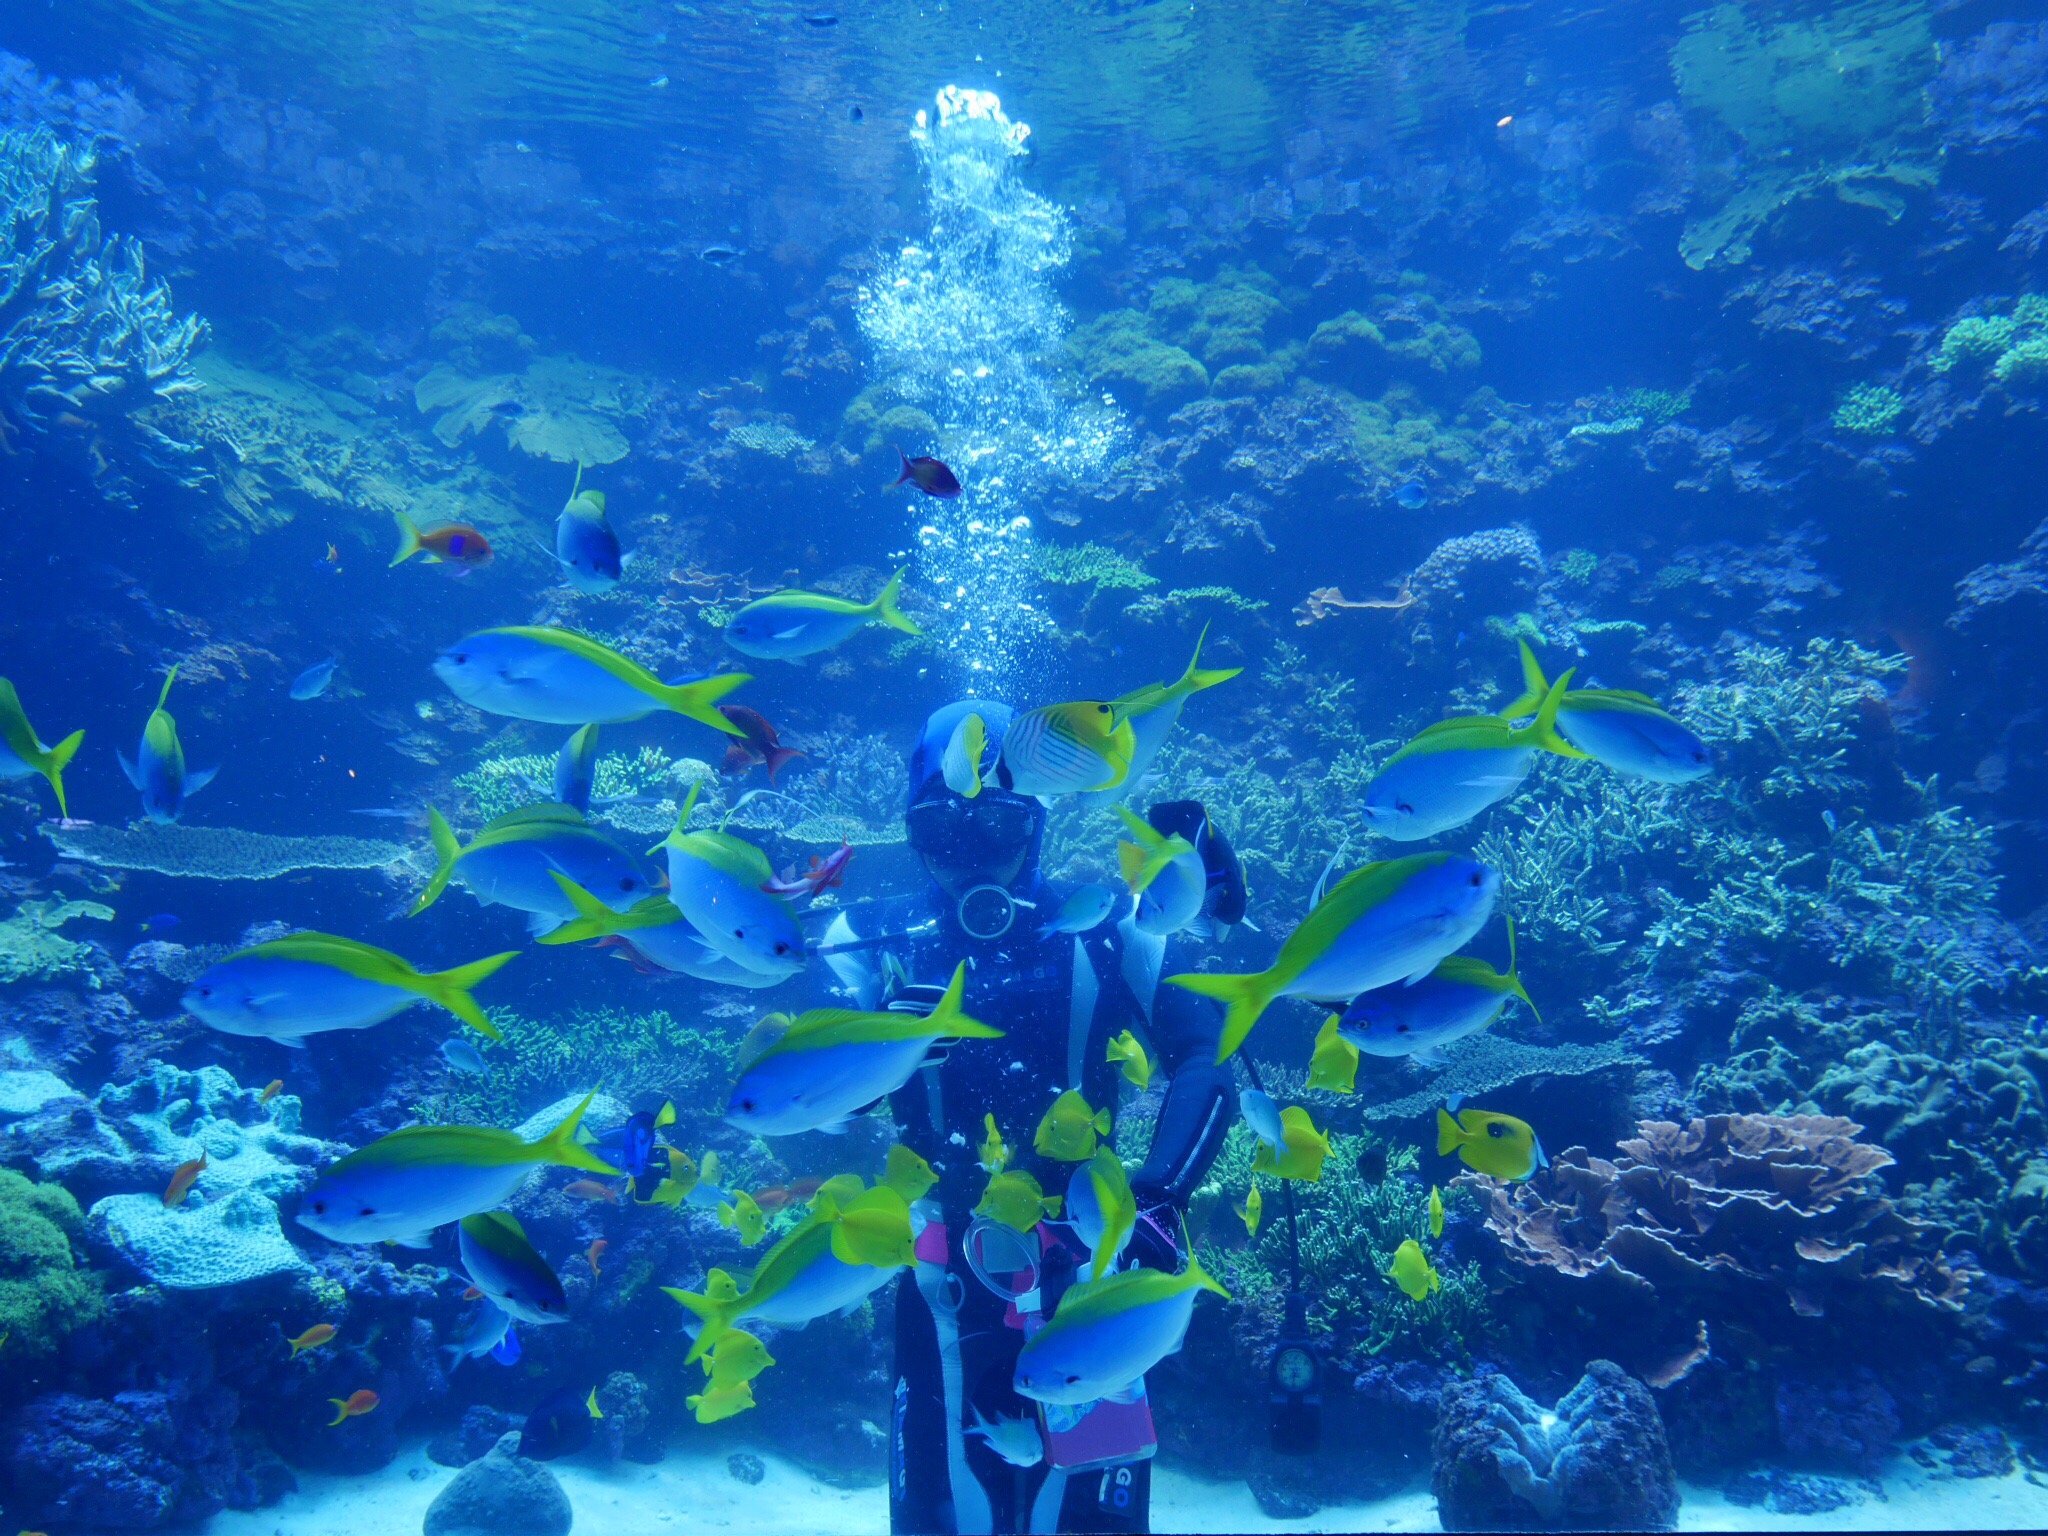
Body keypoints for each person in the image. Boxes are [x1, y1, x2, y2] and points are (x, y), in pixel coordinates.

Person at [819, 700, 1235, 1535]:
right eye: (943, 832)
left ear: (1037, 820)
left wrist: (1159, 1198)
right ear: (912, 833)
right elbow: (808, 1092)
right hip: (940, 1278)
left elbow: (1210, 1055)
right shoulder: (863, 937)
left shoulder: (1113, 928)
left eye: (998, 827)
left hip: (1091, 1271)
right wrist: (874, 1050)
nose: (971, 859)